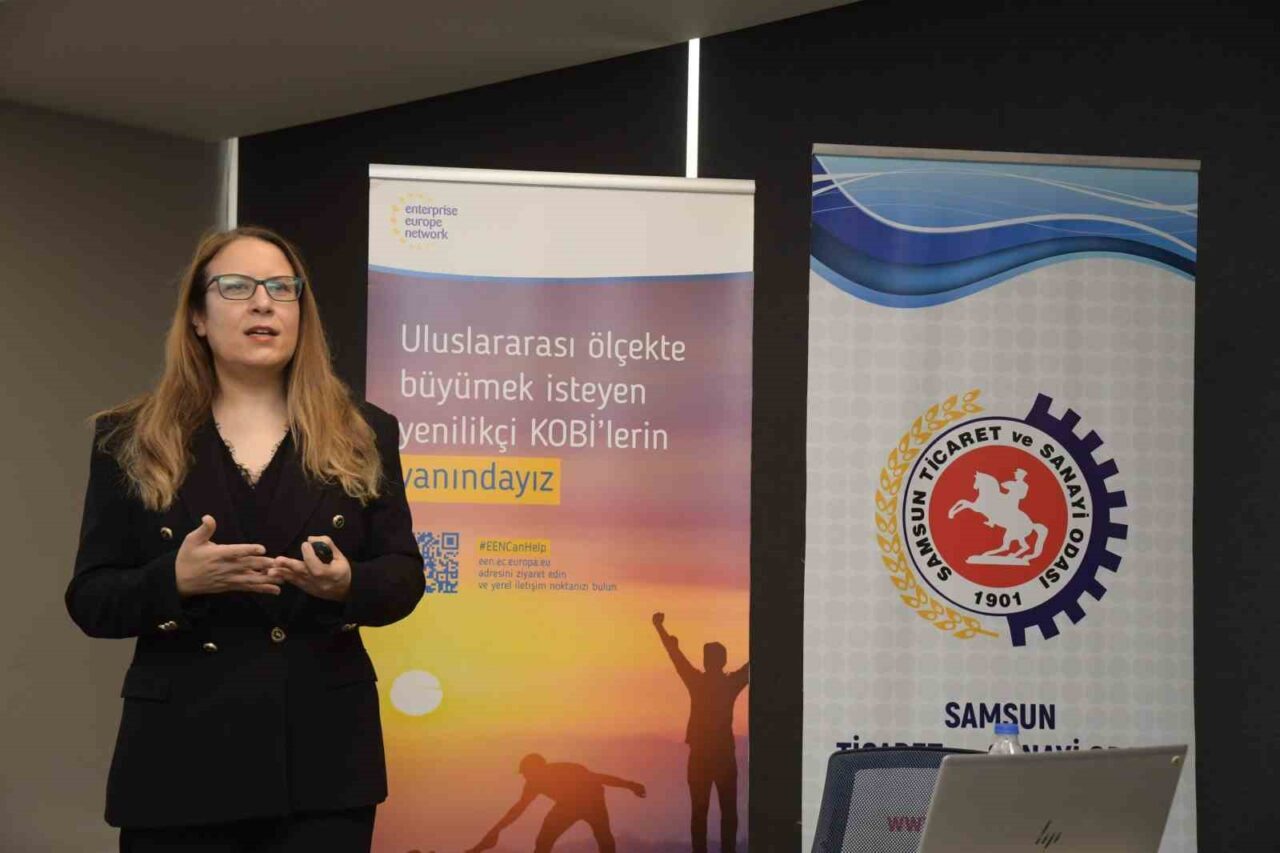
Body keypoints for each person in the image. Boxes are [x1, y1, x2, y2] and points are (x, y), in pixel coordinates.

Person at [65, 226, 425, 852]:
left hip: (322, 764)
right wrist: (175, 580)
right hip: (176, 761)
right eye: (237, 287)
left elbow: (404, 576)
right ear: (198, 316)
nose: (264, 303)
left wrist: (347, 584)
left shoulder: (365, 432)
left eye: (283, 288)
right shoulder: (128, 438)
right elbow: (91, 599)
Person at [652, 612, 749, 853]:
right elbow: (753, 664)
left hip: (701, 757)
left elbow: (675, 656)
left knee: (699, 812)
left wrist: (660, 628)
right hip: (723, 756)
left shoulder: (698, 682)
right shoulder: (729, 683)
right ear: (723, 661)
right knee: (727, 812)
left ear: (707, 661)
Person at [466, 754, 646, 853]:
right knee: (544, 840)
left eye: (527, 773)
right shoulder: (533, 783)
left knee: (603, 837)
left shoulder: (567, 771)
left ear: (539, 769)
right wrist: (493, 834)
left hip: (593, 801)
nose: (526, 777)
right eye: (525, 774)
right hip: (567, 806)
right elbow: (517, 810)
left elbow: (598, 778)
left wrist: (630, 785)